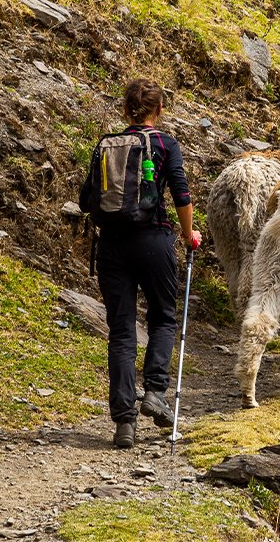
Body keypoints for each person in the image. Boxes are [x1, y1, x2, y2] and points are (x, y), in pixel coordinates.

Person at [78, 79, 201, 449]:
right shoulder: (165, 143)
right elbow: (180, 191)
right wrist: (188, 233)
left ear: (125, 109)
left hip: (112, 246)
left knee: (121, 331)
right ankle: (155, 393)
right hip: (153, 241)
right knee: (163, 317)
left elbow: (86, 200)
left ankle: (123, 425)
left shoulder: (106, 144)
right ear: (159, 110)